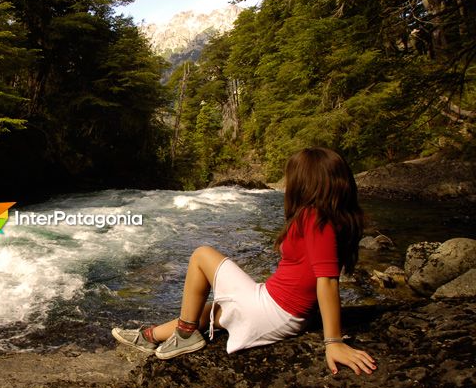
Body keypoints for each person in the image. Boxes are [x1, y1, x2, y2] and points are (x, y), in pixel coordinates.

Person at [112, 147, 377, 375]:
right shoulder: (335, 220)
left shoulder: (314, 218)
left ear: (305, 183)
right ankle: (150, 337)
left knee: (201, 255)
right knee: (213, 309)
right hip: (280, 306)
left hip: (276, 311)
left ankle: (183, 337)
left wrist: (333, 341)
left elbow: (328, 281)